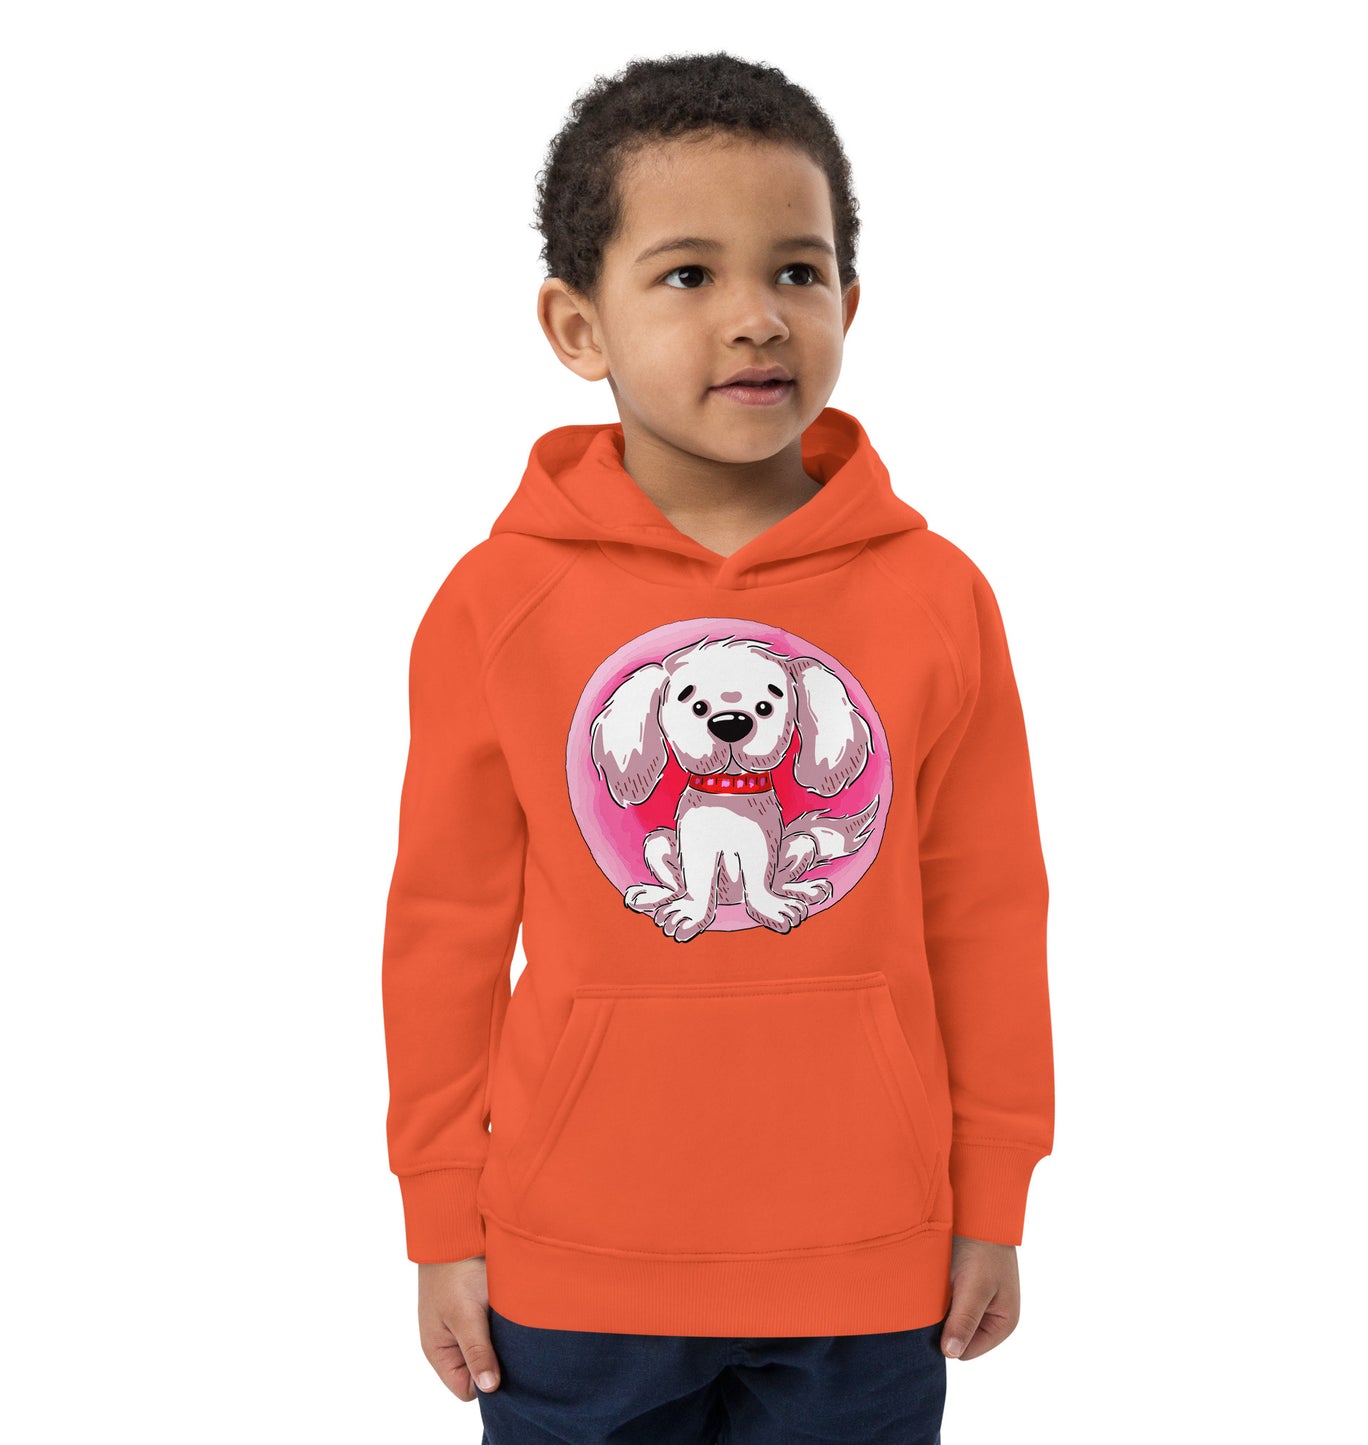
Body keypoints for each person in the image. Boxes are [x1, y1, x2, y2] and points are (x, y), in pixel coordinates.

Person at [381, 50, 1054, 1445]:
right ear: (578, 325)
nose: (756, 317)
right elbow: (444, 930)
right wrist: (441, 1216)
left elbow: (988, 912)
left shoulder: (937, 597)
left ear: (849, 304)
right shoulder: (497, 604)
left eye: (797, 271)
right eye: (688, 274)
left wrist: (993, 1196)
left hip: (870, 1257)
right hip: (574, 1261)